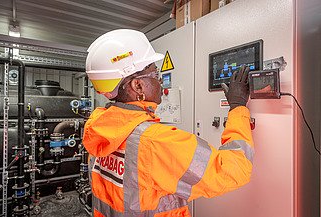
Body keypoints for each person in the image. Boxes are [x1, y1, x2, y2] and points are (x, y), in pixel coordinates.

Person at [83, 29, 254, 217]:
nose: (161, 83)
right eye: (155, 75)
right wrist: (238, 108)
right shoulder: (155, 142)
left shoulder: (99, 131)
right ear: (137, 86)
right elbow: (234, 171)